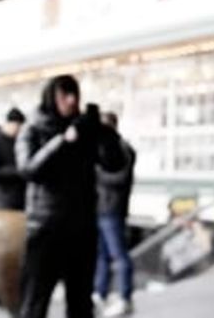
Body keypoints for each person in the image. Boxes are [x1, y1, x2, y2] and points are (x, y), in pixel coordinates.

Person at [16, 76, 126, 318]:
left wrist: (104, 134)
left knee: (80, 304)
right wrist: (63, 141)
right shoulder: (33, 128)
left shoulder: (84, 129)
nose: (72, 100)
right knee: (35, 301)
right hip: (46, 228)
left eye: (74, 94)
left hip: (82, 229)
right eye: (64, 95)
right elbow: (29, 169)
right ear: (51, 97)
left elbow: (115, 164)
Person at [93, 112, 136, 317]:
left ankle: (125, 298)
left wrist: (96, 173)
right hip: (99, 209)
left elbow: (120, 178)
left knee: (119, 255)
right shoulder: (101, 149)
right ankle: (99, 293)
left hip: (113, 210)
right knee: (101, 256)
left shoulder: (124, 149)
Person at [0, 107, 27, 210]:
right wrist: (17, 171)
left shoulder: (17, 141)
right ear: (10, 123)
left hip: (19, 198)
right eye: (18, 126)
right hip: (1, 200)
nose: (19, 130)